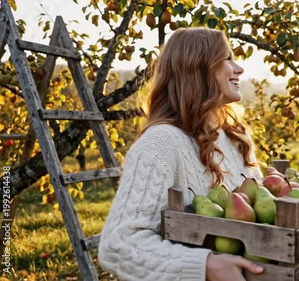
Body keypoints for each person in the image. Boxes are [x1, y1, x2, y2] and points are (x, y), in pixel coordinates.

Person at [98, 27, 264, 281]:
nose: (239, 68)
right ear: (199, 68)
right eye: (227, 59)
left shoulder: (234, 137)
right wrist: (204, 265)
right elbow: (118, 245)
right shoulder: (161, 144)